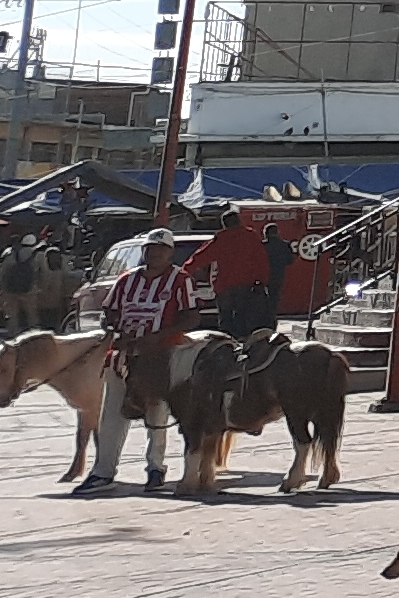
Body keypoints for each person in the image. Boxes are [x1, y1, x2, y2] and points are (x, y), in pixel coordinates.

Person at [79, 234, 198, 495]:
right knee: (111, 414)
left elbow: (191, 317)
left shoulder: (180, 280)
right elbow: (108, 312)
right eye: (150, 249)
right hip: (123, 356)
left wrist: (160, 336)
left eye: (160, 249)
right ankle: (103, 471)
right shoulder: (127, 279)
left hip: (162, 356)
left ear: (170, 253)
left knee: (157, 411)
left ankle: (156, 468)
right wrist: (114, 327)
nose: (154, 254)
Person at [196, 204, 277, 339]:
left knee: (225, 316)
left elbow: (201, 256)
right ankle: (241, 341)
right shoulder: (251, 236)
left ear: (224, 224)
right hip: (245, 284)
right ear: (239, 221)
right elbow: (261, 260)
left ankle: (225, 341)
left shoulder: (220, 238)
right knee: (242, 314)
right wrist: (262, 280)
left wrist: (184, 271)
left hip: (223, 285)